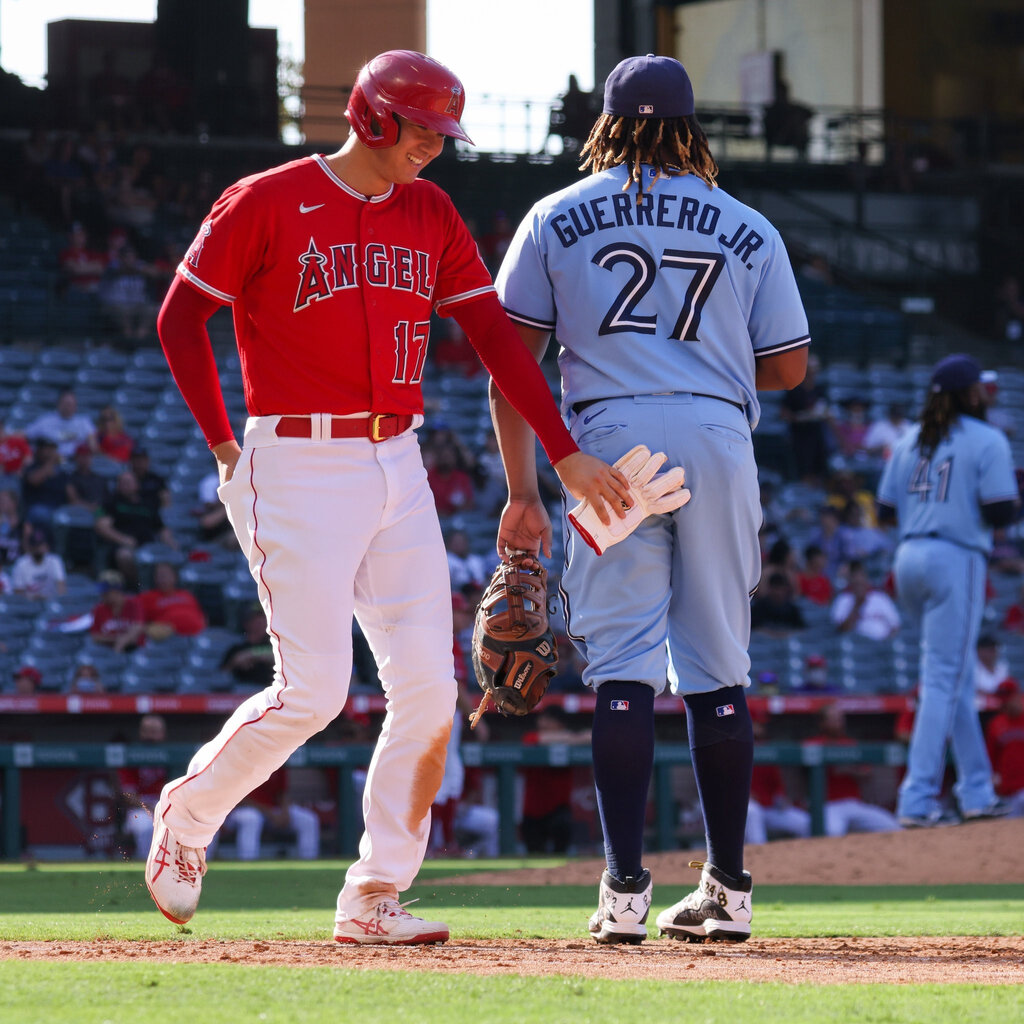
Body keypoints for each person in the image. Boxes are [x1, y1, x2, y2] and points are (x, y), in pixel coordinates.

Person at [147, 49, 629, 944]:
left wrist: (561, 455)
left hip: (397, 460)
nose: (434, 146)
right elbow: (180, 322)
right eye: (422, 128)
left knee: (430, 692)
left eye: (444, 133)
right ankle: (188, 813)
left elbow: (495, 338)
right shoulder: (266, 200)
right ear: (372, 116)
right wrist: (223, 444)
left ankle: (374, 895)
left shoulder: (430, 211)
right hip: (296, 460)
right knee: (314, 692)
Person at [489, 54, 809, 945]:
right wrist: (704, 368)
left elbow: (511, 364)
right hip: (715, 435)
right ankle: (729, 893)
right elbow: (789, 366)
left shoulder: (555, 213)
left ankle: (625, 893)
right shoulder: (746, 222)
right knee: (717, 667)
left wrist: (524, 489)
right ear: (690, 127)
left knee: (623, 668)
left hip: (606, 445)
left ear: (605, 123)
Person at [877, 354, 1018, 827]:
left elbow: (885, 511)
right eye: (980, 387)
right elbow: (1000, 511)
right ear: (970, 393)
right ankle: (916, 799)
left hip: (909, 557)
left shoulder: (908, 439)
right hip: (955, 557)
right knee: (942, 678)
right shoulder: (986, 438)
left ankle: (976, 791)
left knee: (952, 677)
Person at [805, 703, 901, 836]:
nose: (838, 723)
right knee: (832, 832)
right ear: (822, 723)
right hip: (828, 805)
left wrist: (847, 769)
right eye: (833, 719)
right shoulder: (813, 743)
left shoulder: (850, 743)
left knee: (892, 826)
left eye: (840, 719)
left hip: (854, 803)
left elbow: (867, 773)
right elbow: (803, 773)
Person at [519, 705, 589, 854]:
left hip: (559, 811)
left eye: (549, 721)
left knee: (561, 843)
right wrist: (572, 737)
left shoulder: (571, 741)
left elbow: (591, 736)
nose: (542, 723)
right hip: (533, 811)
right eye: (542, 719)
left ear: (560, 724)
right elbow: (536, 739)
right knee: (535, 855)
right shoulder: (531, 738)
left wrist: (572, 738)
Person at [117, 714, 170, 858]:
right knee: (146, 827)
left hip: (167, 806)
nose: (150, 736)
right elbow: (128, 796)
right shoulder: (131, 755)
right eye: (147, 731)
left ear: (163, 734)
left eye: (155, 731)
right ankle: (148, 865)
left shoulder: (173, 754)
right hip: (139, 809)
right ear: (140, 732)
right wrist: (150, 807)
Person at [830, 560, 901, 640]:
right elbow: (842, 629)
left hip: (882, 643)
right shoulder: (843, 600)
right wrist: (857, 605)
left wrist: (888, 643)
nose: (859, 586)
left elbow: (895, 626)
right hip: (855, 644)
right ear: (851, 582)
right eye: (856, 583)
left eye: (861, 582)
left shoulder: (881, 597)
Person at [985, 679, 1024, 817]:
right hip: (1007, 790)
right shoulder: (996, 723)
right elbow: (991, 757)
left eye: (1007, 700)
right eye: (1002, 701)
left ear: (1018, 696)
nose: (1004, 704)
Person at [139, 561, 207, 640]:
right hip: (169, 639)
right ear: (155, 578)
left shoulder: (186, 594)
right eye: (160, 575)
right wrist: (149, 629)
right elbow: (135, 622)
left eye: (166, 574)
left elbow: (201, 616)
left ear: (175, 576)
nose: (163, 578)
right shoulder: (147, 597)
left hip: (198, 637)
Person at [26, 390, 96, 460]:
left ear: (76, 406)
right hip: (50, 461)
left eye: (71, 404)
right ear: (58, 404)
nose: (68, 407)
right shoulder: (45, 421)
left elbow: (93, 443)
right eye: (65, 404)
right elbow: (26, 434)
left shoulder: (83, 422)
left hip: (75, 461)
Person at [9, 526, 66, 600]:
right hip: (28, 603)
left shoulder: (54, 561)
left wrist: (55, 599)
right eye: (35, 545)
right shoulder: (21, 563)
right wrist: (33, 597)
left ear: (46, 546)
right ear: (30, 547)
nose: (38, 549)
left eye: (40, 545)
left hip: (51, 602)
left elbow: (61, 586)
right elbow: (17, 591)